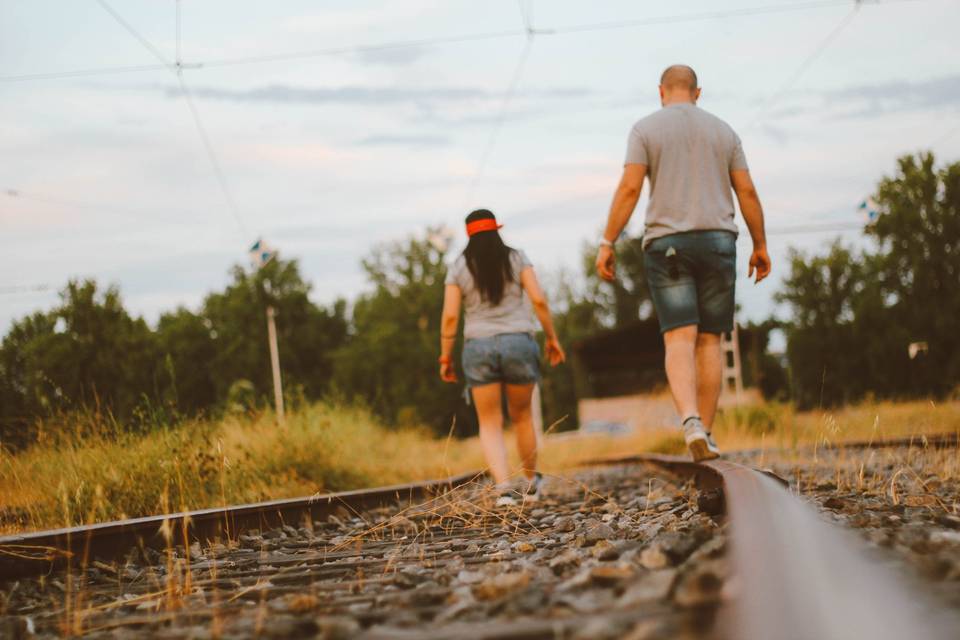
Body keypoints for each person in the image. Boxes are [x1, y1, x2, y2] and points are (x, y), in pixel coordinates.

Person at [595, 64, 771, 462]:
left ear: (661, 92)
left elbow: (629, 188)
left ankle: (690, 420)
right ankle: (705, 434)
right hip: (718, 241)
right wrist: (760, 244)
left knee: (679, 337)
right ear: (697, 92)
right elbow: (746, 189)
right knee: (711, 339)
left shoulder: (645, 129)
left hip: (668, 244)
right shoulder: (724, 132)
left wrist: (607, 241)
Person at [439, 209, 565, 505]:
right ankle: (532, 484)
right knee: (522, 417)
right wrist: (551, 337)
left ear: (468, 234)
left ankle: (504, 490)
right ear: (497, 229)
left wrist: (445, 357)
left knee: (490, 422)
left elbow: (450, 317)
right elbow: (538, 300)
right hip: (519, 342)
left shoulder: (458, 266)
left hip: (478, 347)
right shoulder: (517, 258)